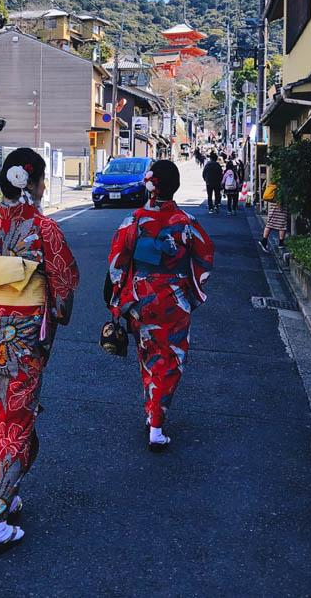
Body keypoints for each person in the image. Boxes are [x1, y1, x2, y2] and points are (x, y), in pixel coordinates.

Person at [0, 148, 80, 553]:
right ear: (36, 184)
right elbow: (63, 283)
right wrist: (52, 316)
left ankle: (12, 492)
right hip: (23, 340)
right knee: (16, 423)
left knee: (1, 422)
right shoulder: (44, 229)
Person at [107, 160, 214, 450]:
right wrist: (191, 293)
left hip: (141, 297)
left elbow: (116, 264)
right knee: (171, 358)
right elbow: (204, 260)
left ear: (150, 184)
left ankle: (151, 411)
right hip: (174, 297)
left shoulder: (134, 220)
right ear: (175, 186)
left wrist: (123, 295)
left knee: (149, 354)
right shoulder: (186, 224)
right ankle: (156, 425)